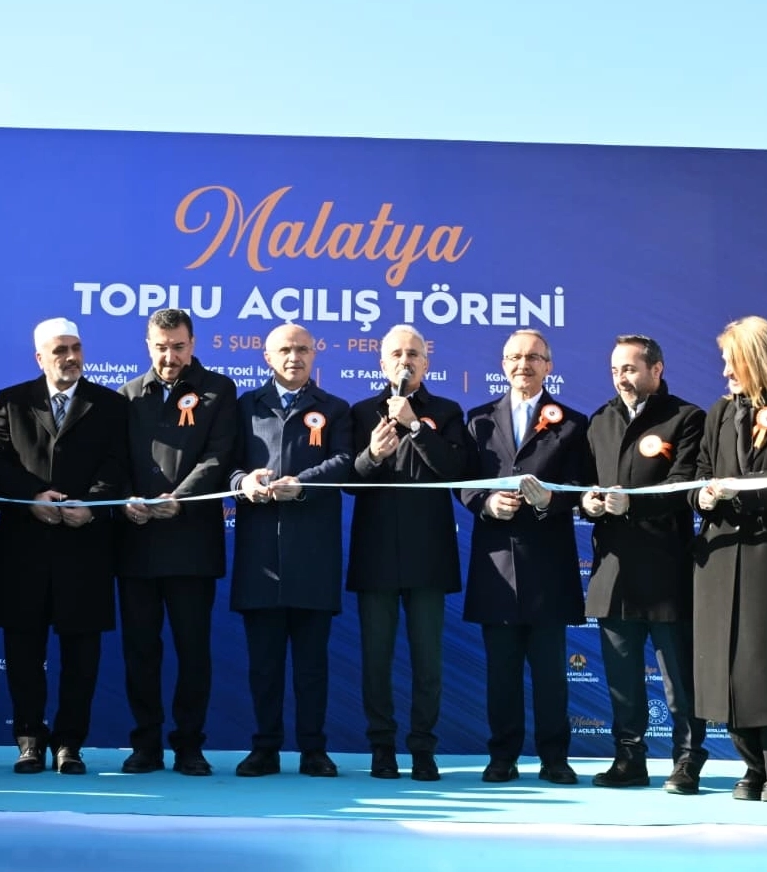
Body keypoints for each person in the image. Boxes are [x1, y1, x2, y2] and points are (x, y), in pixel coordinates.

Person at [0, 317, 128, 776]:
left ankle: (69, 744)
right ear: (40, 357)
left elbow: (119, 464)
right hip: (23, 548)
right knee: (23, 652)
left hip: (85, 548)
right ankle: (29, 741)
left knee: (82, 656)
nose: (70, 357)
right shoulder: (11, 400)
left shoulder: (109, 404)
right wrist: (31, 497)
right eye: (60, 350)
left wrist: (93, 505)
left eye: (76, 347)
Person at [692, 317, 767, 803]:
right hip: (722, 557)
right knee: (730, 667)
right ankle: (751, 764)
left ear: (760, 361)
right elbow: (701, 471)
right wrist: (703, 496)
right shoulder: (721, 412)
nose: (725, 371)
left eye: (733, 361)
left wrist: (742, 490)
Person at [461, 329, 589, 786]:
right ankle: (503, 757)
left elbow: (580, 487)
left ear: (548, 366)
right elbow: (464, 482)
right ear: (503, 365)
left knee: (551, 674)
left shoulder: (572, 423)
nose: (523, 365)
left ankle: (555, 758)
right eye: (515, 357)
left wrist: (548, 500)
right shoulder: (478, 420)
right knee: (502, 674)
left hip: (549, 567)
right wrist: (486, 503)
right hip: (496, 566)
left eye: (534, 357)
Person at [582, 335, 707, 794]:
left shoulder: (686, 418)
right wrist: (588, 504)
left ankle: (687, 760)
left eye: (631, 369)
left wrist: (631, 505)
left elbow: (684, 486)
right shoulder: (600, 419)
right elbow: (585, 485)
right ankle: (629, 758)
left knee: (680, 681)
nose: (622, 378)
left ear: (657, 369)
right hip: (612, 572)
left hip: (666, 569)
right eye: (616, 370)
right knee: (622, 680)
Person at [229, 323, 352, 778]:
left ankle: (313, 749)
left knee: (311, 666)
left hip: (313, 556)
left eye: (302, 349)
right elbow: (226, 466)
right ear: (267, 356)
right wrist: (243, 482)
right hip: (259, 558)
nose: (294, 357)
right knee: (263, 666)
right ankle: (265, 748)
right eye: (284, 350)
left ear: (314, 355)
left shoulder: (335, 408)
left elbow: (345, 463)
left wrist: (302, 484)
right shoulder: (245, 406)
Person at [117, 308, 237, 776]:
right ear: (148, 345)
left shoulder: (218, 391)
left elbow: (219, 456)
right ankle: (145, 745)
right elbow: (115, 461)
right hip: (137, 544)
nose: (169, 357)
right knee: (140, 652)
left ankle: (190, 746)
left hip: (193, 544)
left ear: (193, 344)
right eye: (161, 347)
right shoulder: (128, 395)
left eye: (179, 347)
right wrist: (126, 497)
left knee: (193, 652)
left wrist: (180, 499)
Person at [348, 324, 465, 782]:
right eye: (396, 354)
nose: (405, 361)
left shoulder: (447, 412)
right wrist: (371, 456)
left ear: (426, 363)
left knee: (427, 662)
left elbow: (455, 471)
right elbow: (348, 482)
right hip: (375, 554)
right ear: (382, 363)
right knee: (376, 660)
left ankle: (423, 749)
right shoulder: (361, 412)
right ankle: (382, 748)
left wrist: (415, 425)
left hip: (429, 554)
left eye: (413, 354)